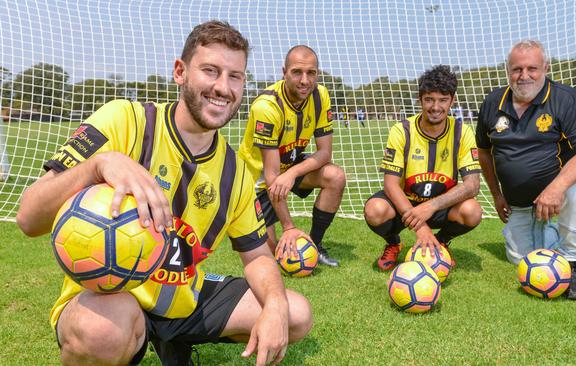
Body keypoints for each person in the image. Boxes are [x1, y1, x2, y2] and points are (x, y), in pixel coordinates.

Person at [16, 21, 312, 365]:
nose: (222, 87)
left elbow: (258, 254)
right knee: (100, 331)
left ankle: (174, 338)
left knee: (295, 313)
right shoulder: (126, 121)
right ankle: (129, 335)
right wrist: (98, 165)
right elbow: (27, 217)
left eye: (235, 76)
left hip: (182, 294)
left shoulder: (236, 171)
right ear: (180, 72)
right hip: (113, 296)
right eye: (210, 71)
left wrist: (274, 305)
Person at [475, 40, 576, 300]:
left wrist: (556, 188)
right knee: (518, 259)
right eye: (516, 69)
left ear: (546, 67)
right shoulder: (492, 102)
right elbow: (485, 152)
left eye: (532, 68)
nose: (524, 76)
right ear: (507, 70)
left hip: (560, 192)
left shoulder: (565, 99)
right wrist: (497, 195)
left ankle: (574, 262)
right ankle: (549, 231)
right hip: (519, 202)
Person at [364, 65, 482, 271]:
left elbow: (472, 185)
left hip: (440, 205)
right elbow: (390, 185)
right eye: (429, 99)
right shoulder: (402, 130)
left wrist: (432, 206)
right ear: (420, 99)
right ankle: (393, 243)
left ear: (452, 100)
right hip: (405, 204)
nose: (435, 107)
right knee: (375, 210)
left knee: (472, 211)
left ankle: (441, 242)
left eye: (443, 100)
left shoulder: (462, 132)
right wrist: (420, 226)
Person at [238, 45, 345, 268]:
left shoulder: (320, 96)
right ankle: (278, 229)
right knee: (270, 255)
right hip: (256, 182)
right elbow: (271, 177)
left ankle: (315, 244)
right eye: (297, 72)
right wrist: (289, 226)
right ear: (284, 72)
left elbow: (325, 152)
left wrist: (293, 173)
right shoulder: (267, 107)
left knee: (335, 176)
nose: (305, 80)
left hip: (289, 167)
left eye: (311, 73)